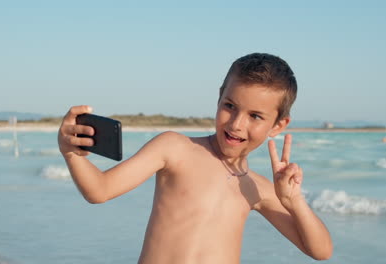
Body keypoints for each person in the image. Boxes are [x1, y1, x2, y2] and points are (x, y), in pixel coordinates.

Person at [58, 53, 333, 263]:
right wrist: (71, 153)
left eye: (255, 116)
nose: (236, 124)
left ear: (278, 125)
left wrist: (294, 202)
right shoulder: (175, 148)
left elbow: (320, 250)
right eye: (230, 106)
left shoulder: (258, 189)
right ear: (219, 98)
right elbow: (100, 190)